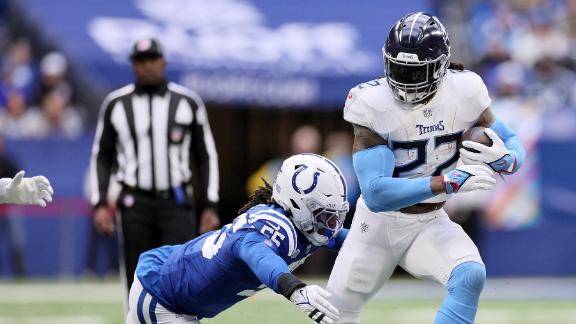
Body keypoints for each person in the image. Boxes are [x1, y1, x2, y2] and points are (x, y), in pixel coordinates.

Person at [326, 12, 526, 324]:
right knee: (335, 315)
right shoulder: (372, 101)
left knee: (470, 273)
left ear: (441, 67)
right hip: (376, 226)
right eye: (399, 69)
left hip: (428, 221)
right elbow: (376, 193)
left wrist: (505, 159)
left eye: (416, 72)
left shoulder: (465, 90)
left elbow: (512, 142)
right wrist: (449, 182)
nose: (405, 80)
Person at [126, 154, 349, 324]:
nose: (332, 226)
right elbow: (258, 254)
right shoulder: (272, 227)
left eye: (335, 217)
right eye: (326, 217)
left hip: (177, 291)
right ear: (298, 205)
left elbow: (351, 240)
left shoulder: (304, 226)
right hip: (161, 293)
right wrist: (295, 289)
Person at [89, 38, 220, 295]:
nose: (147, 66)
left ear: (163, 62)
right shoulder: (116, 103)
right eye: (141, 61)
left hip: (176, 202)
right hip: (133, 204)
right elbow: (101, 156)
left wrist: (209, 204)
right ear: (132, 65)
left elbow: (206, 156)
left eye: (152, 59)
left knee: (180, 279)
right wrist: (100, 202)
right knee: (136, 282)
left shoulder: (188, 102)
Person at [246, 125, 321, 195]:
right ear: (293, 148)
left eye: (310, 154)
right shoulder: (276, 166)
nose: (304, 160)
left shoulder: (325, 168)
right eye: (300, 153)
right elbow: (253, 185)